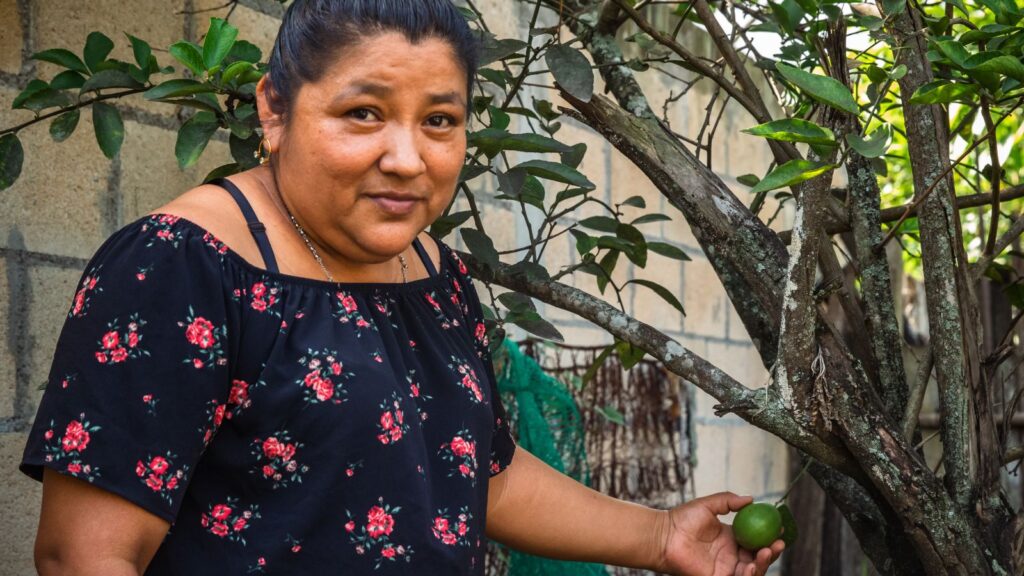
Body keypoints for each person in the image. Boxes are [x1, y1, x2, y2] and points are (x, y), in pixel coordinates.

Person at [20, 1, 785, 574]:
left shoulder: (436, 274)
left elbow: (477, 469)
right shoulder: (181, 266)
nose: (408, 158)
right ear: (274, 109)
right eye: (364, 113)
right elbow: (83, 556)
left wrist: (659, 535)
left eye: (440, 121)